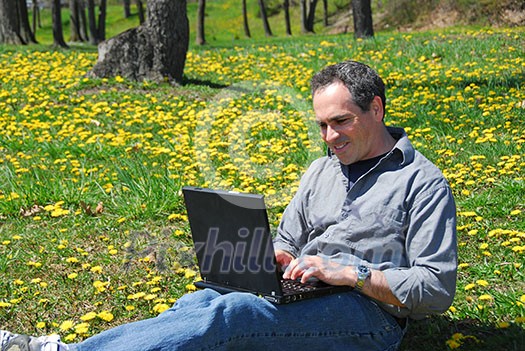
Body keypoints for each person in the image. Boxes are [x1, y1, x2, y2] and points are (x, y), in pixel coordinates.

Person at [0, 60, 457, 351]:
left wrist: (348, 273)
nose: (329, 137)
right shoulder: (321, 171)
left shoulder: (422, 183)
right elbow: (289, 241)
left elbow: (436, 289)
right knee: (198, 301)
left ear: (375, 109)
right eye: (321, 125)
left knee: (232, 316)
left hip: (369, 317)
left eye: (341, 122)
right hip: (305, 292)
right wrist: (275, 258)